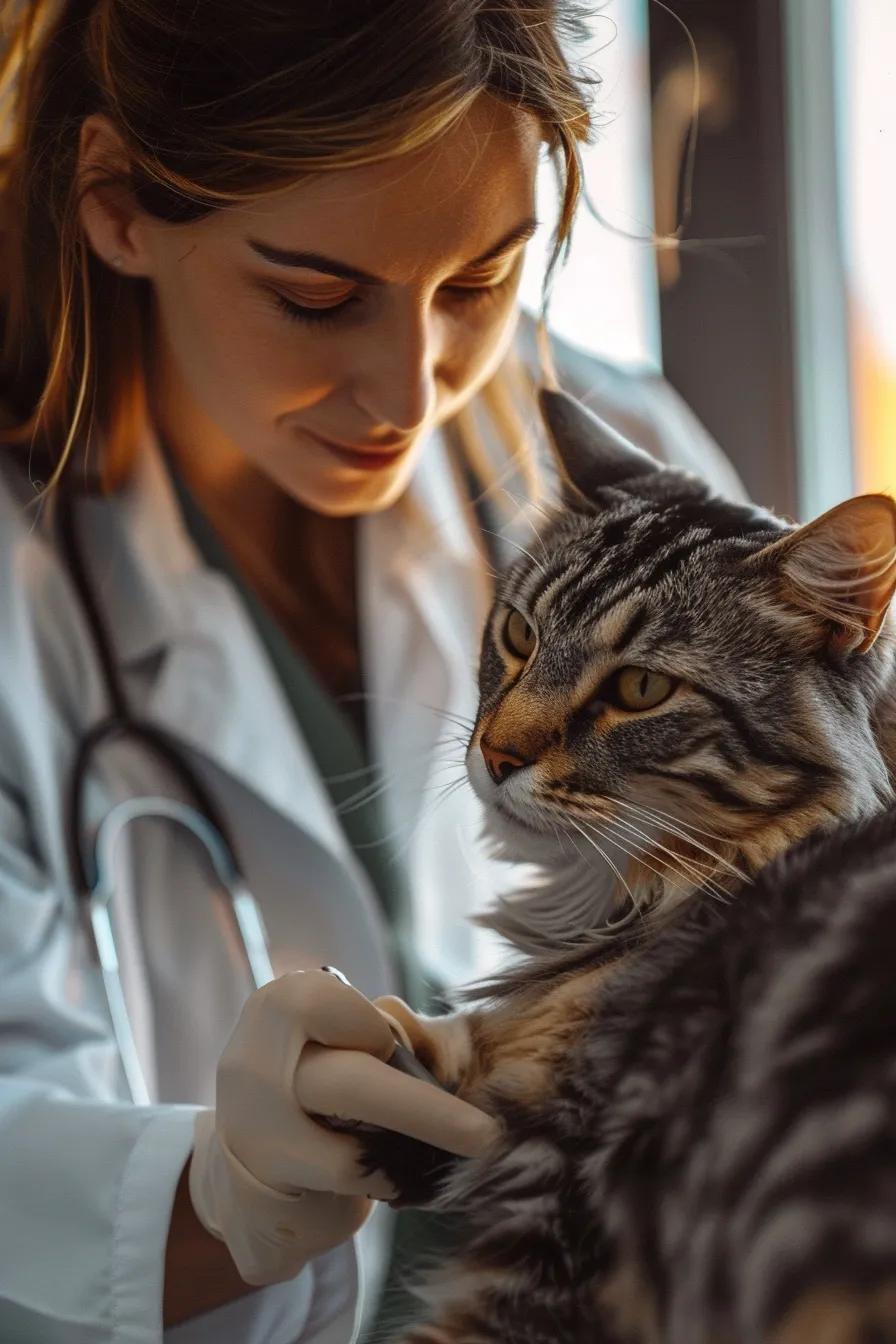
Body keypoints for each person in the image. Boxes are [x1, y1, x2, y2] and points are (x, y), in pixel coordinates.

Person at [0, 2, 746, 1341]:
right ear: (118, 204)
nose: (412, 389)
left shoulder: (616, 460)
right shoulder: (23, 589)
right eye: (315, 296)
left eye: (479, 282)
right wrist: (224, 1194)